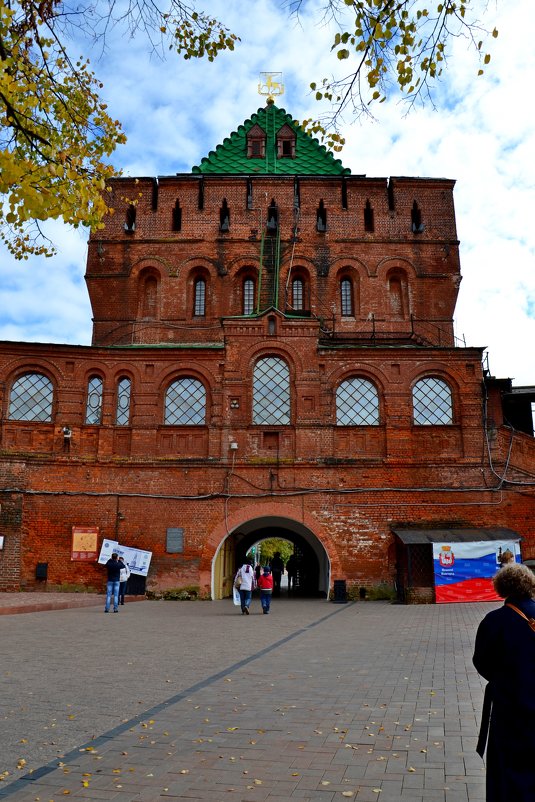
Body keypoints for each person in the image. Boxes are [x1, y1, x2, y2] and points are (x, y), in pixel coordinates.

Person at [473, 562, 535, 801]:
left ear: (502, 588)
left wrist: (503, 679)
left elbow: (481, 661)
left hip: (508, 704)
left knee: (506, 764)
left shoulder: (494, 621)